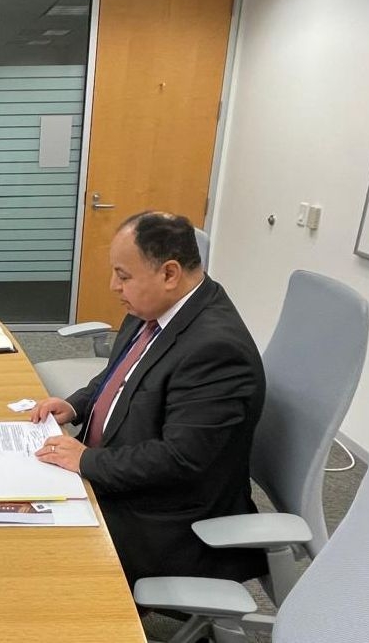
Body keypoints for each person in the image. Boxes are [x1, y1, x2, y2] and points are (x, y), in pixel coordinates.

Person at [30, 212, 267, 587]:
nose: (114, 286)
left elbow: (180, 459)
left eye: (123, 276)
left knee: (34, 546)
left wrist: (87, 460)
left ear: (169, 273)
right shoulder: (155, 307)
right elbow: (119, 374)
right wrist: (76, 404)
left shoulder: (216, 350)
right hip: (123, 473)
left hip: (168, 517)